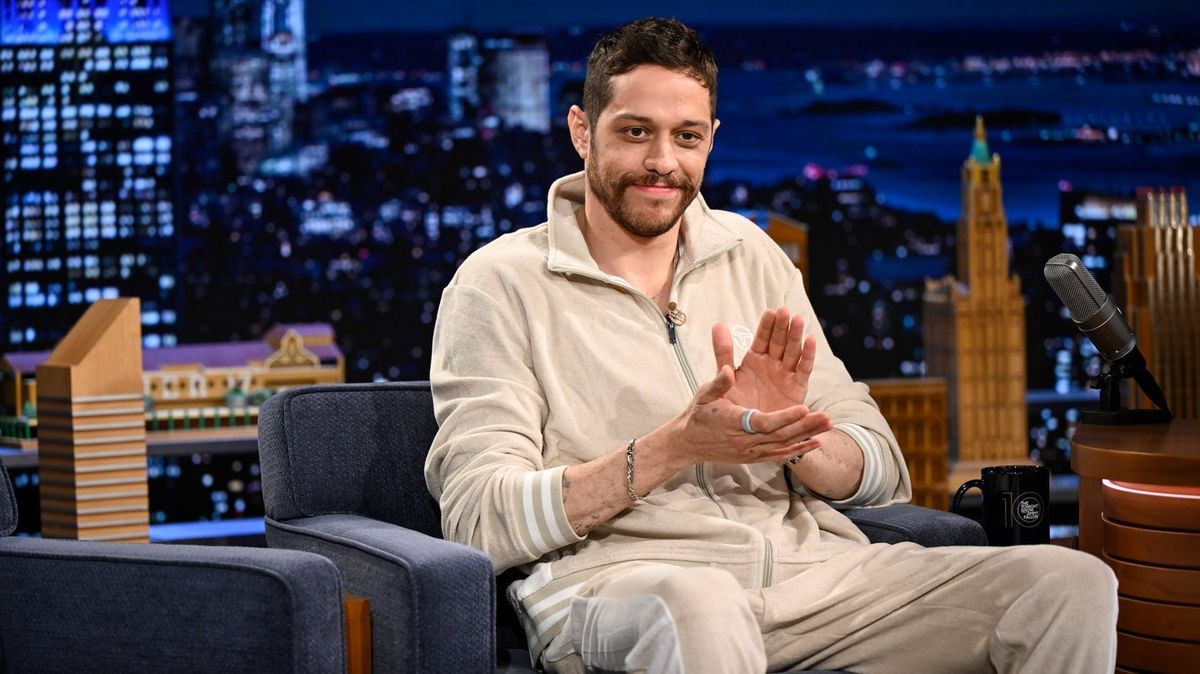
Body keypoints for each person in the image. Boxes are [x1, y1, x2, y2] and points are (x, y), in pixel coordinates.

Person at [426, 17, 1117, 674]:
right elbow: (477, 519)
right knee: (701, 603)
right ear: (582, 130)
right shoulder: (499, 284)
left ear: (712, 139)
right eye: (635, 132)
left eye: (686, 137)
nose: (662, 161)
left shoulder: (751, 255)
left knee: (1066, 584)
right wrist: (676, 447)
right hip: (621, 584)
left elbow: (883, 471)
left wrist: (794, 438)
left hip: (814, 578)